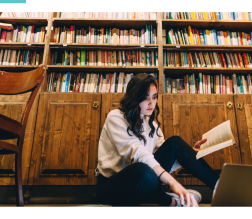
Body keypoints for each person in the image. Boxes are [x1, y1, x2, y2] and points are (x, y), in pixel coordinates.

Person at [94, 73, 220, 207]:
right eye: (145, 98)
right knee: (141, 168)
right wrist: (173, 183)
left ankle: (219, 188)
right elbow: (139, 154)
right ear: (134, 98)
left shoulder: (152, 125)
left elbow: (160, 165)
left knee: (175, 143)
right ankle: (170, 202)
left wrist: (188, 156)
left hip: (144, 183)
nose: (151, 103)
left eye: (154, 97)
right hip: (113, 188)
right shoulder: (116, 117)